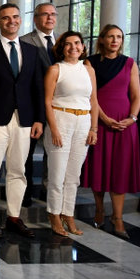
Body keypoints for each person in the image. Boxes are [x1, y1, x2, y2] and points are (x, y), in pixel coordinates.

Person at [0, 3, 44, 238]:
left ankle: (14, 217)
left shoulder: (32, 51)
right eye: (5, 18)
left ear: (20, 20)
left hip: (24, 119)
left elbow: (38, 88)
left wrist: (39, 120)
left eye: (15, 17)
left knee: (18, 170)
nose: (11, 21)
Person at [82, 24, 140, 239]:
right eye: (111, 36)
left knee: (120, 169)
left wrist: (131, 119)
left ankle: (118, 218)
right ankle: (99, 209)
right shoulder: (91, 62)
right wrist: (104, 119)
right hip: (99, 120)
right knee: (99, 167)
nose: (115, 40)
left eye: (119, 37)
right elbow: (89, 95)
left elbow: (136, 96)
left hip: (125, 125)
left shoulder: (129, 63)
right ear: (103, 39)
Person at [43, 31, 99, 237]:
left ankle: (68, 213)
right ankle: (54, 214)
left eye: (77, 43)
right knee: (57, 174)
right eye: (68, 44)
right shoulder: (55, 69)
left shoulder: (89, 70)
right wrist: (55, 129)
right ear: (62, 48)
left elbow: (94, 101)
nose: (73, 47)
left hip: (83, 121)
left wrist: (94, 128)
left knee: (73, 176)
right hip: (61, 120)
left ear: (83, 47)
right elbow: (47, 102)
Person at [19, 2, 57, 206]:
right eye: (45, 14)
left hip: (58, 106)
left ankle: (47, 189)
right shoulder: (25, 41)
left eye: (53, 14)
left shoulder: (62, 42)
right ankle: (24, 194)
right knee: (28, 151)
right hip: (33, 104)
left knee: (54, 152)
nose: (50, 18)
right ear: (35, 19)